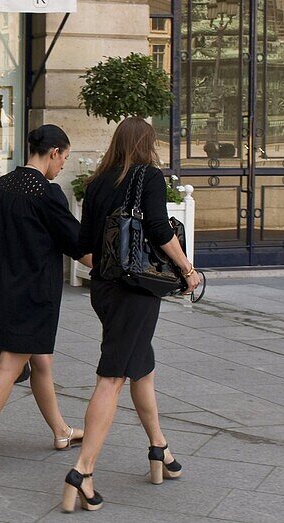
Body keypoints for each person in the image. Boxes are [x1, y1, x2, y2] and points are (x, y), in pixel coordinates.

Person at [61, 117, 201, 513]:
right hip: (135, 292)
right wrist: (187, 270)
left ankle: (159, 449)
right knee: (112, 376)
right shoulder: (149, 177)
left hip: (105, 288)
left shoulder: (98, 182)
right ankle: (82, 472)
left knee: (142, 365)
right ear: (147, 143)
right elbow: (158, 228)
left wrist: (111, 267)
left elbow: (83, 244)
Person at [0, 125, 93, 471]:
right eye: (64, 158)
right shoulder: (47, 193)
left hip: (5, 288)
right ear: (54, 153)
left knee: (42, 362)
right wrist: (111, 267)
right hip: (35, 294)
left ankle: (61, 431)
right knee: (9, 365)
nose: (63, 165)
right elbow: (77, 244)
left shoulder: (4, 185)